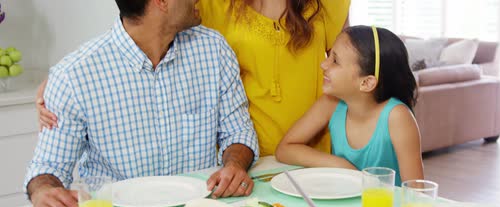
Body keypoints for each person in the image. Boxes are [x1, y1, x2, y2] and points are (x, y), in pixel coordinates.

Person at [24, 0, 259, 207]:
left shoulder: (213, 50)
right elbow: (49, 166)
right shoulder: (73, 76)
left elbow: (238, 132)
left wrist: (235, 164)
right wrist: (43, 191)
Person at [37, 0, 351, 157]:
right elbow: (143, 20)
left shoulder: (327, 5)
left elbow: (350, 62)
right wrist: (62, 78)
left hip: (311, 152)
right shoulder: (213, 5)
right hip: (246, 158)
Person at [275, 26, 424, 186]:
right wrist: (341, 165)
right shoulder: (330, 103)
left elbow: (417, 191)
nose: (324, 65)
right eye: (329, 55)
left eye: (335, 61)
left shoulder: (397, 117)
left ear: (366, 82)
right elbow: (285, 149)